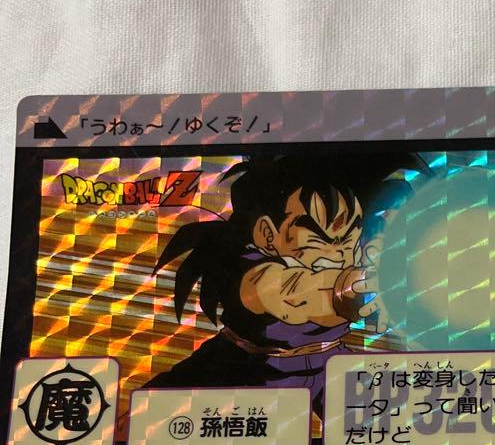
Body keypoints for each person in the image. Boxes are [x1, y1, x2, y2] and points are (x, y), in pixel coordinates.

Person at [144, 151, 422, 412]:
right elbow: (291, 292)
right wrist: (350, 289)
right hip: (247, 368)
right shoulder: (253, 268)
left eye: (348, 237)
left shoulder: (358, 252)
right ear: (267, 234)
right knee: (149, 416)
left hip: (329, 364)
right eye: (319, 238)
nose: (339, 252)